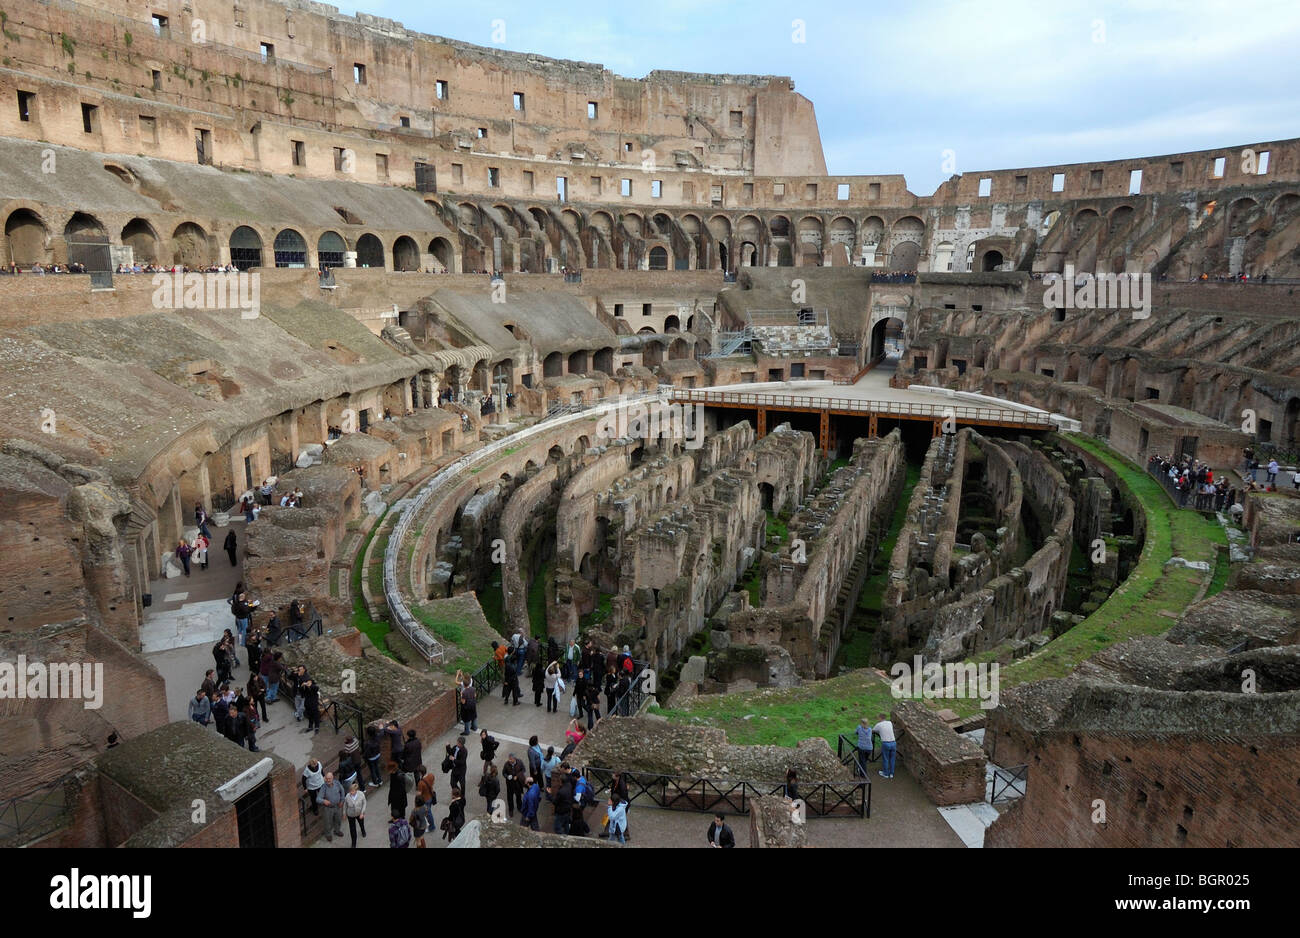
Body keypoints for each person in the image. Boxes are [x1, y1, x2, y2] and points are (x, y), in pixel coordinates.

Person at [319, 771, 345, 843]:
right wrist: (324, 801)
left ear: (333, 778)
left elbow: (342, 791)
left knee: (338, 820)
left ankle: (337, 831)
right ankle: (328, 834)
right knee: (328, 822)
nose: (328, 780)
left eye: (329, 778)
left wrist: (342, 801)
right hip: (328, 809)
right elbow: (318, 799)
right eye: (326, 779)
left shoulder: (337, 783)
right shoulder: (323, 787)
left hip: (337, 806)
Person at [501, 753, 525, 818]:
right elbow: (503, 772)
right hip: (510, 784)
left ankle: (519, 807)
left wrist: (517, 776)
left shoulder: (519, 762)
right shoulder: (506, 764)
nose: (509, 760)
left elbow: (523, 770)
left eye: (510, 759)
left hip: (518, 784)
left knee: (518, 797)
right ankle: (511, 810)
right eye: (509, 759)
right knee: (510, 798)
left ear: (514, 759)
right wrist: (507, 776)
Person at [343, 781, 367, 847]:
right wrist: (344, 814)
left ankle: (363, 830)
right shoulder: (347, 796)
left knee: (361, 823)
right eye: (350, 791)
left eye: (352, 791)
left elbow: (364, 803)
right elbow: (345, 805)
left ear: (356, 790)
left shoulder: (361, 794)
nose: (351, 792)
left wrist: (362, 813)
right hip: (350, 815)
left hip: (359, 813)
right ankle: (354, 843)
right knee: (352, 829)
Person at [874, 713, 897, 779]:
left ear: (880, 718)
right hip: (893, 742)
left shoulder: (878, 724)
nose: (877, 719)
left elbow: (873, 730)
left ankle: (886, 773)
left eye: (878, 718)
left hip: (886, 743)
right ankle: (891, 773)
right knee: (892, 759)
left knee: (886, 758)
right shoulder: (889, 723)